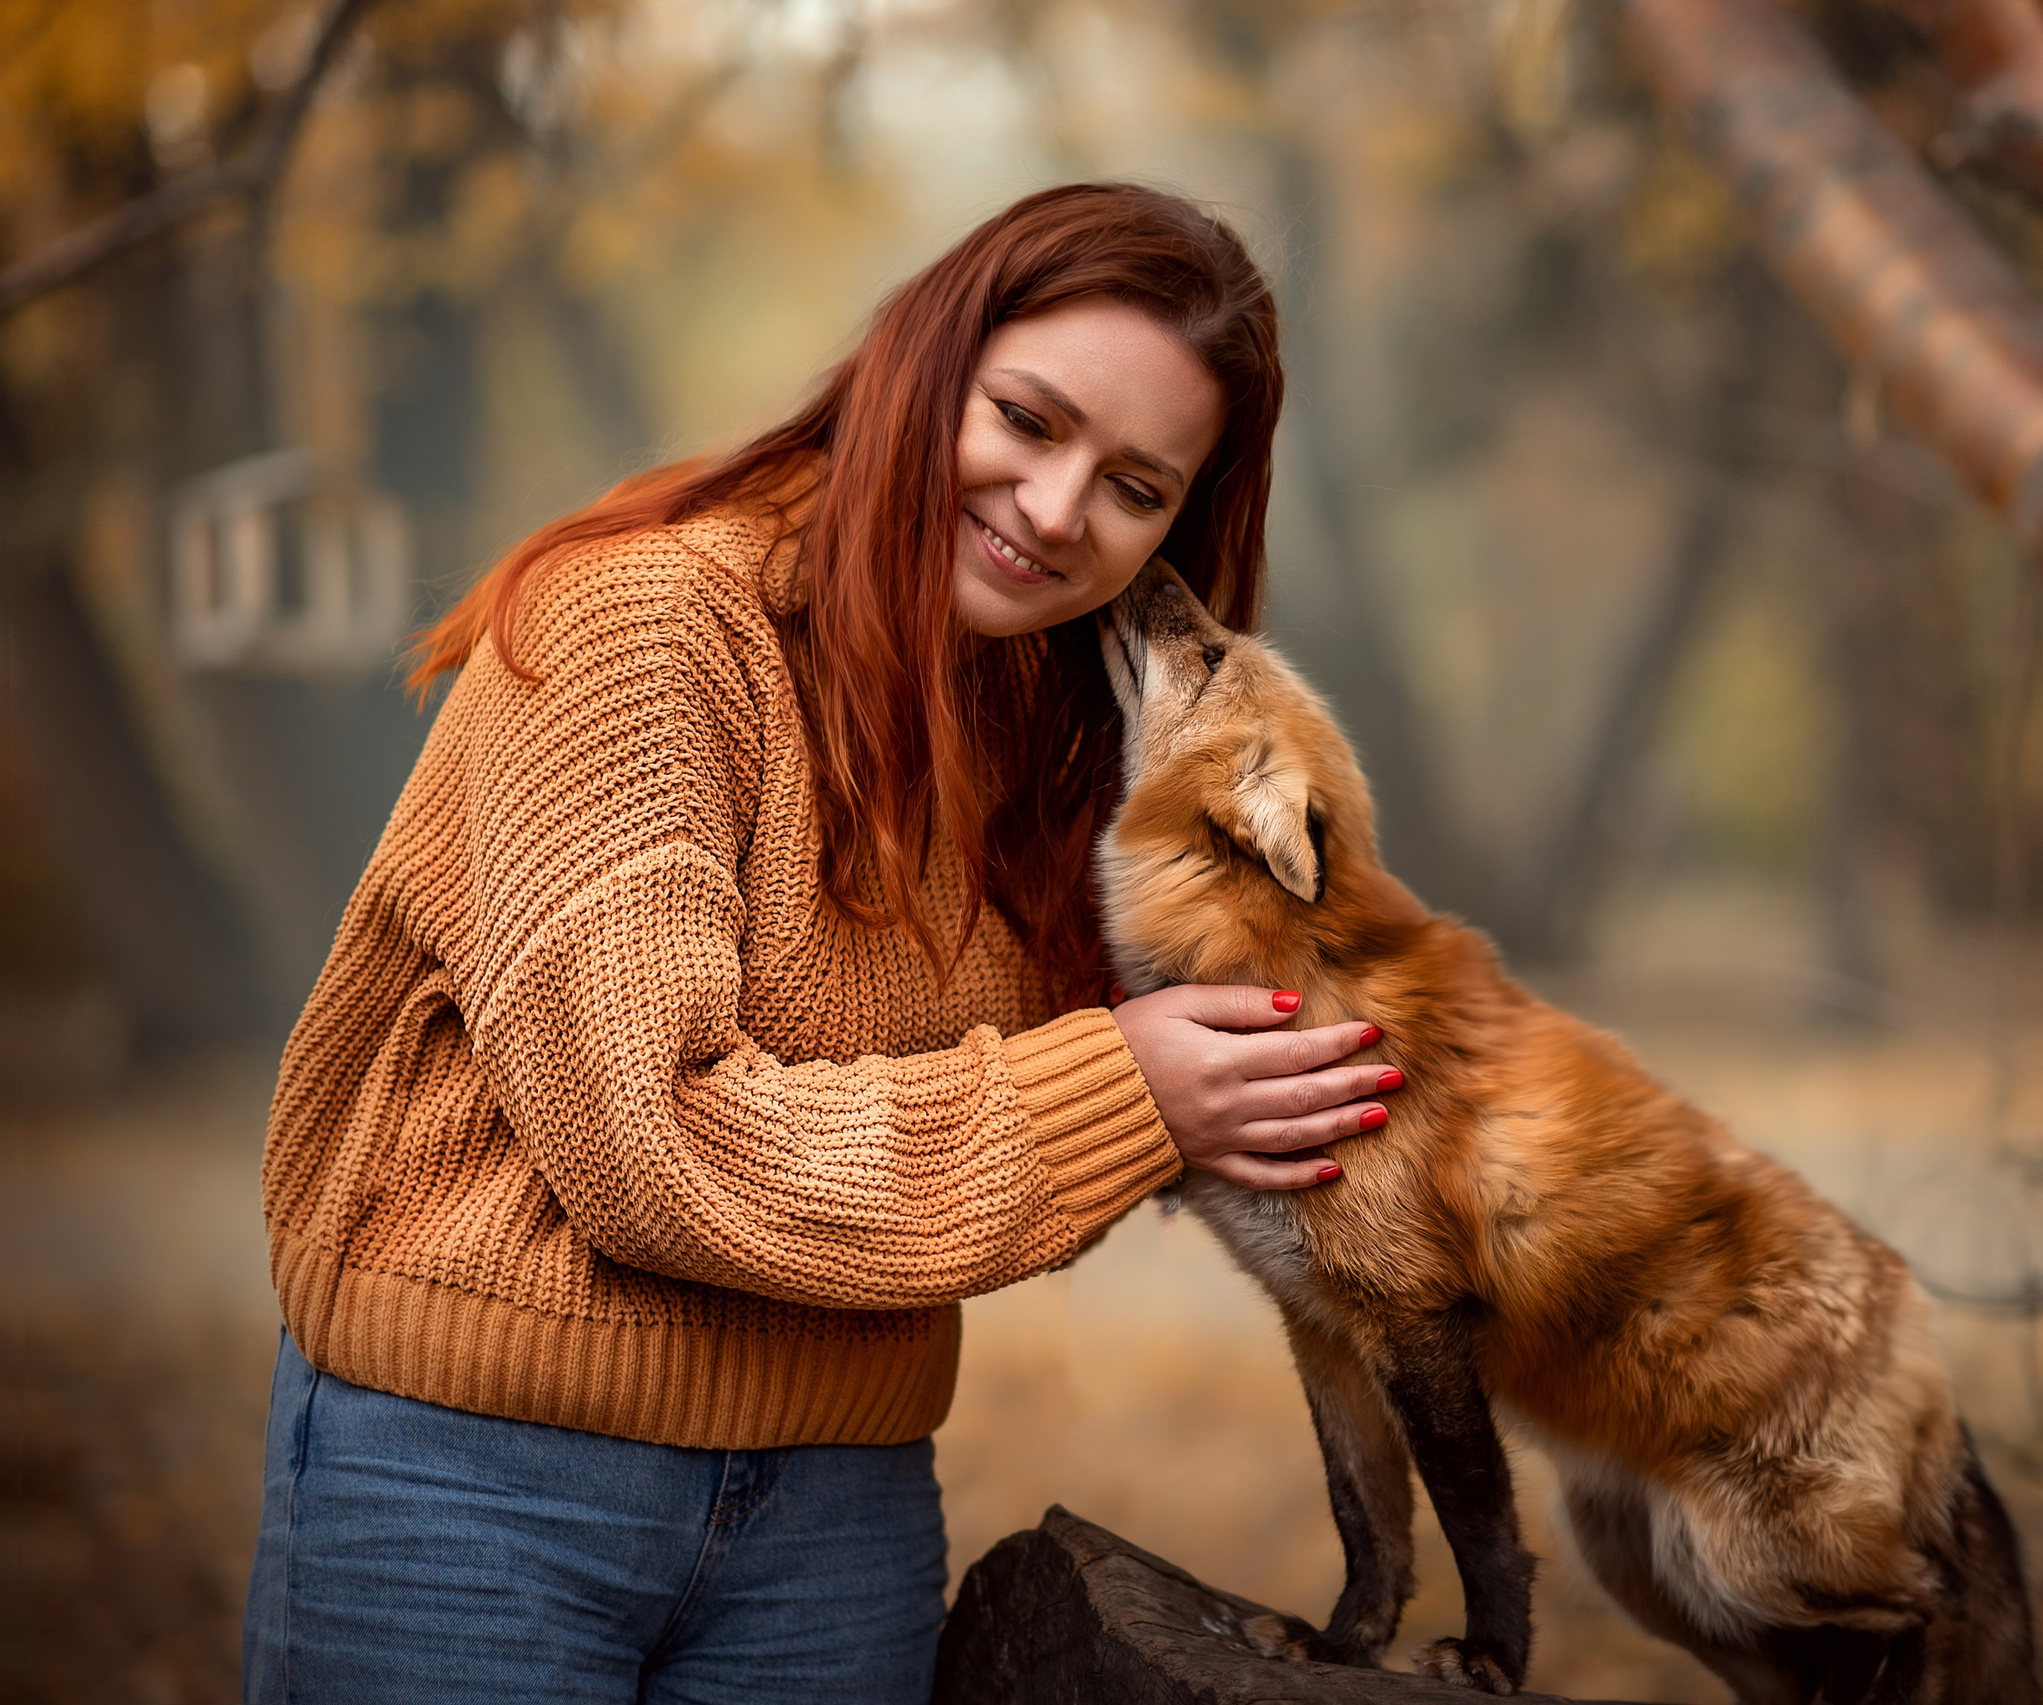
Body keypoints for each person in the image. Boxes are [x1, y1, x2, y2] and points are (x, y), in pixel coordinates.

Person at [242, 182, 1402, 1704]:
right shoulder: (643, 625)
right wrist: (1127, 1090)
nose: (1057, 511)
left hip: (835, 1513)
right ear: (926, 365)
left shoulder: (1057, 745)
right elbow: (650, 1144)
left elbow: (1172, 1081)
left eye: (1135, 486)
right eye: (1029, 421)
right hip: (479, 1480)